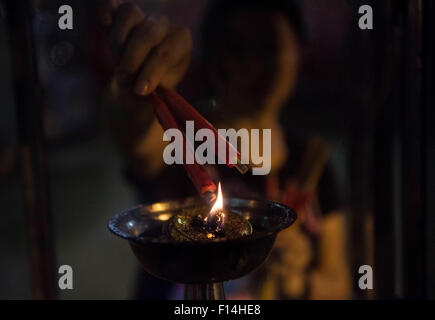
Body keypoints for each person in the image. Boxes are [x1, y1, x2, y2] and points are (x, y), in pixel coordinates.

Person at [98, 0, 351, 299]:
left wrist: (298, 281)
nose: (253, 65)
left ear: (300, 52)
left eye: (269, 48)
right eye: (238, 48)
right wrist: (137, 85)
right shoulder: (182, 139)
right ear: (215, 58)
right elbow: (137, 133)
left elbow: (341, 284)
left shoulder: (312, 163)